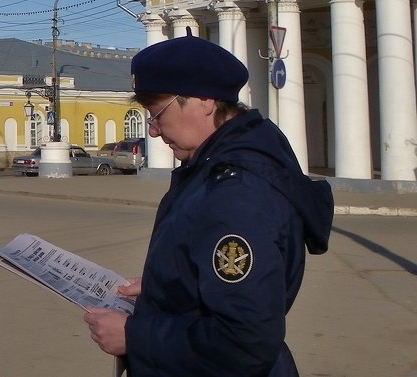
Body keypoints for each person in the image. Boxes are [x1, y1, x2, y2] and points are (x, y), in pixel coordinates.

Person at [83, 33, 333, 377]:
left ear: (204, 100)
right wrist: (166, 282)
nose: (153, 131)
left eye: (157, 114)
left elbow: (244, 342)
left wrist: (134, 336)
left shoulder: (236, 193)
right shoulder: (214, 167)